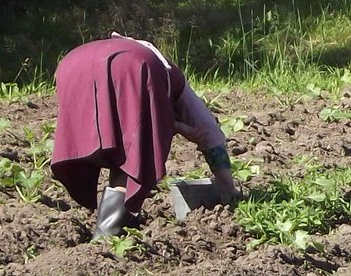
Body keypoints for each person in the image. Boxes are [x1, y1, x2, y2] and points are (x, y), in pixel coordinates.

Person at [51, 36, 235, 239]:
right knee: (134, 151)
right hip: (132, 65)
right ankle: (107, 233)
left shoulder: (160, 74)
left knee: (115, 140)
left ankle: (115, 221)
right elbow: (210, 134)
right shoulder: (178, 85)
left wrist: (175, 125)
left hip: (71, 65)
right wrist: (229, 191)